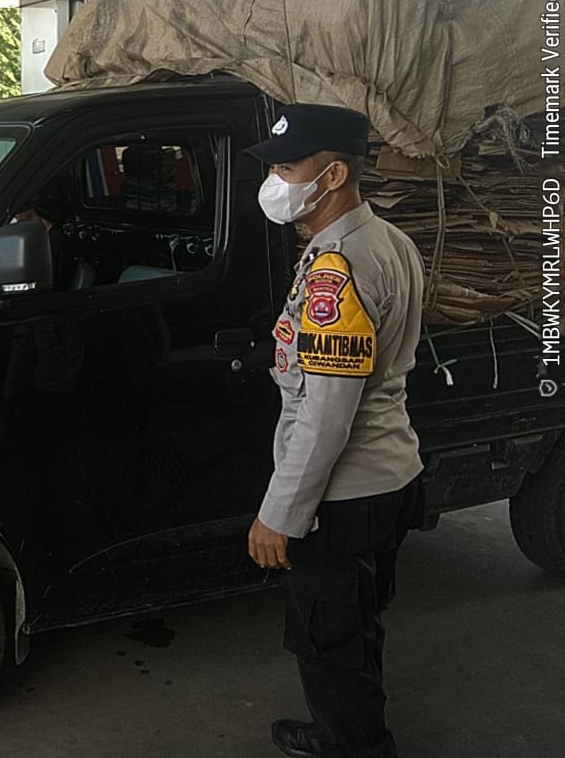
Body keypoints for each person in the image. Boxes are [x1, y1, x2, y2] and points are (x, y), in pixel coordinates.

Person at [244, 104, 425, 758]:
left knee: (328, 640)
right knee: (358, 625)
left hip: (343, 496)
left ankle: (353, 745)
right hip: (391, 477)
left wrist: (279, 515)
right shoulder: (388, 241)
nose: (276, 182)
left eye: (288, 168)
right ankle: (348, 732)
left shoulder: (338, 270)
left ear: (335, 175)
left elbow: (324, 418)